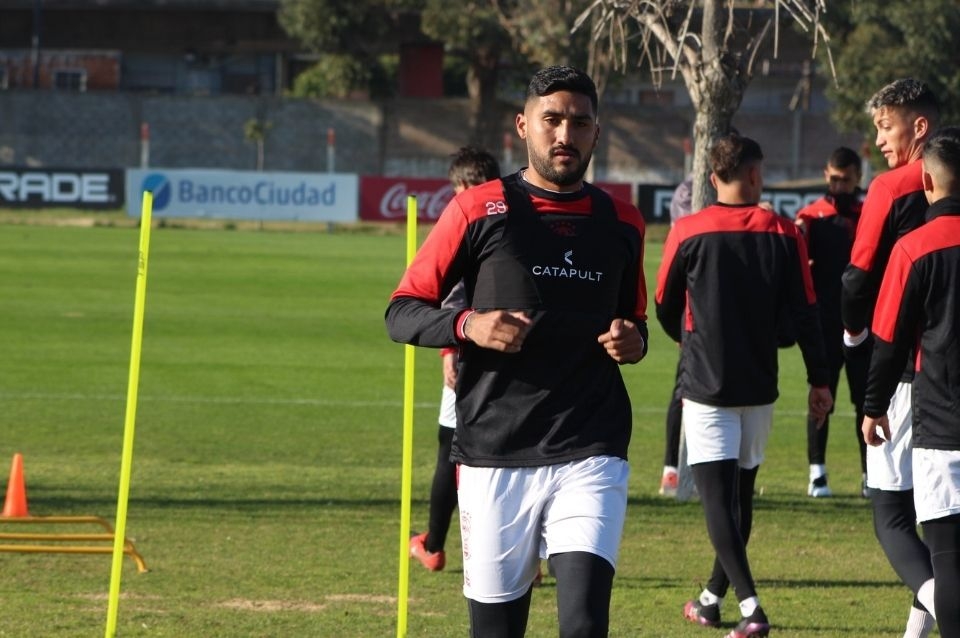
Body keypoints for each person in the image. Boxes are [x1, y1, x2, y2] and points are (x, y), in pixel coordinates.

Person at [385, 65, 649, 638]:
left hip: (591, 445)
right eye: (551, 119)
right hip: (494, 451)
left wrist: (633, 340)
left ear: (597, 132)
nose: (565, 134)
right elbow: (401, 311)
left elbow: (636, 324)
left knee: (584, 625)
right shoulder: (476, 209)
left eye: (580, 122)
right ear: (523, 125)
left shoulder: (623, 221)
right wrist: (468, 325)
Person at [656, 132, 832, 638]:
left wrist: (690, 340)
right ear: (755, 174)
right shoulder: (785, 233)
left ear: (713, 178)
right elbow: (807, 313)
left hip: (707, 385)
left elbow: (664, 304)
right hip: (760, 386)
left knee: (717, 502)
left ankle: (752, 610)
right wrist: (820, 380)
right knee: (742, 495)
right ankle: (711, 600)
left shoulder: (687, 230)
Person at [840, 78, 939, 638]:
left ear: (918, 127)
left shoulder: (892, 186)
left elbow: (857, 278)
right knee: (943, 524)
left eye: (885, 126)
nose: (878, 139)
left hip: (904, 373)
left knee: (892, 514)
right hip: (949, 373)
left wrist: (855, 335)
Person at [862, 126, 960, 638]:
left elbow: (888, 341)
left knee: (946, 560)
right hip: (939, 426)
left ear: (926, 182)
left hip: (942, 428)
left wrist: (873, 406)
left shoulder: (913, 248)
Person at [408, 146, 500, 572]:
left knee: (450, 449)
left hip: (469, 351)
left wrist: (448, 350)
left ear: (462, 185)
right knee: (517, 453)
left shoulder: (462, 217)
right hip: (522, 353)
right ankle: (531, 561)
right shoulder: (518, 216)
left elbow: (451, 293)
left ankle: (434, 545)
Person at [794, 147, 866, 497]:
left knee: (866, 401)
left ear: (858, 178)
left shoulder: (869, 215)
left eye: (846, 180)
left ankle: (870, 475)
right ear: (826, 174)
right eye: (834, 179)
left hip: (863, 326)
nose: (839, 186)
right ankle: (817, 473)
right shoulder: (810, 217)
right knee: (822, 397)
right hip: (824, 325)